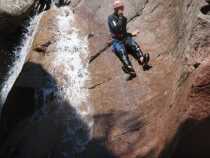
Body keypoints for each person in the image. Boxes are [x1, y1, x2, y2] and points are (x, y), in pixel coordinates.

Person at [108, 0, 150, 80]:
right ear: (115, 9)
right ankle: (130, 69)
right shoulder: (111, 18)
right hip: (117, 41)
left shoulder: (124, 19)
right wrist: (120, 17)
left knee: (133, 44)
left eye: (121, 8)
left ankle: (142, 60)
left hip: (125, 38)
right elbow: (116, 29)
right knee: (121, 51)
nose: (121, 10)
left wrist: (131, 34)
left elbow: (123, 32)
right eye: (119, 8)